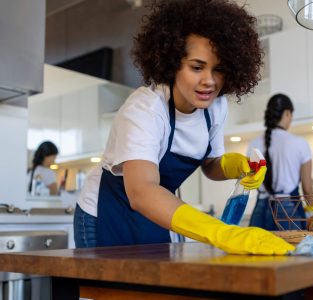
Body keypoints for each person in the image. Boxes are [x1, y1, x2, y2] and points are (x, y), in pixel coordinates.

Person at [73, 0, 294, 255]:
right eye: (197, 67)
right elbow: (142, 191)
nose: (209, 81)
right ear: (173, 63)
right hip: (107, 213)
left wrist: (236, 165)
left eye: (219, 69)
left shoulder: (215, 107)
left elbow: (210, 165)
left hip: (155, 211)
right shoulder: (145, 110)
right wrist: (221, 233)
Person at [247, 94, 313, 230]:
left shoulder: (253, 144)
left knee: (258, 249)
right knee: (293, 250)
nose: (291, 119)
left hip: (260, 207)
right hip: (288, 208)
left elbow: (253, 181)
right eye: (291, 115)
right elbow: (307, 188)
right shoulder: (300, 143)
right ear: (287, 113)